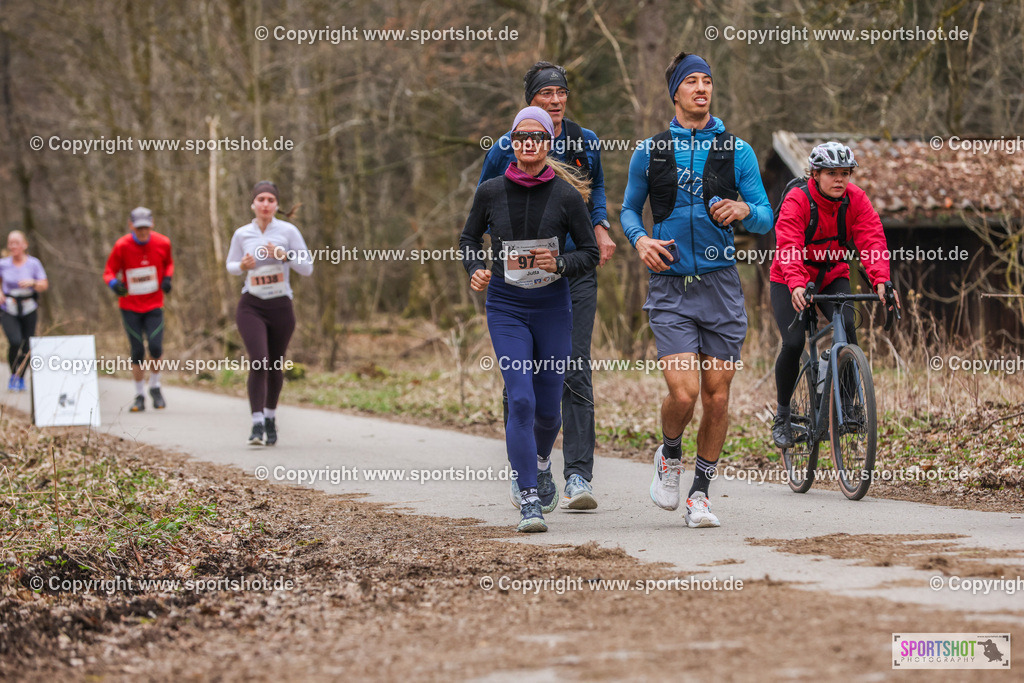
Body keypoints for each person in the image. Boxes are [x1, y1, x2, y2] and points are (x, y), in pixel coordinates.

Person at [620, 52, 773, 527]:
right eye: (692, 82)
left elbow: (766, 214)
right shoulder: (650, 151)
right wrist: (640, 238)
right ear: (676, 93)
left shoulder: (737, 150)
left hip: (722, 286)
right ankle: (668, 456)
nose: (701, 89)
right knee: (684, 395)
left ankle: (700, 494)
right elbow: (627, 210)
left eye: (708, 81)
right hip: (670, 287)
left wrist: (744, 211)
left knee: (718, 396)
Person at [479, 61, 614, 511]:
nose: (555, 101)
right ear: (529, 101)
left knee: (572, 369)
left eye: (562, 93)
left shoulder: (586, 141)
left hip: (571, 272)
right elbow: (486, 202)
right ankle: (527, 476)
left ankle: (577, 475)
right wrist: (486, 264)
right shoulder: (506, 146)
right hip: (516, 285)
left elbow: (597, 198)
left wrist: (602, 229)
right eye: (545, 94)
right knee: (520, 384)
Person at [461, 106, 599, 532]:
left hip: (553, 307)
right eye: (521, 137)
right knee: (520, 399)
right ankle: (528, 499)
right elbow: (468, 238)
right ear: (512, 143)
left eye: (537, 137)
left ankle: (541, 461)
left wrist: (558, 263)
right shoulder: (490, 191)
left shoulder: (566, 195)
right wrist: (476, 269)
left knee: (549, 412)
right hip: (506, 306)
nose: (528, 144)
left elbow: (590, 254)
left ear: (548, 143)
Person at [770, 142, 895, 448]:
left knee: (848, 328)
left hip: (831, 275)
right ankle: (783, 415)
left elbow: (872, 239)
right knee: (794, 341)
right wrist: (797, 283)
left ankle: (849, 406)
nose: (839, 179)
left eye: (845, 173)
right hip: (790, 278)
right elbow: (788, 243)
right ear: (815, 174)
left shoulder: (856, 200)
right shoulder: (798, 200)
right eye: (831, 173)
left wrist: (881, 279)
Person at [226, 181, 312, 446]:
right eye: (260, 199)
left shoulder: (288, 231)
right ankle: (256, 423)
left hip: (281, 305)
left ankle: (271, 417)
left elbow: (307, 267)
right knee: (259, 361)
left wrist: (285, 257)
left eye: (270, 200)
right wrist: (241, 264)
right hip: (251, 304)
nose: (265, 204)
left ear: (276, 205)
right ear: (253, 203)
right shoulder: (242, 234)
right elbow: (230, 265)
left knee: (275, 364)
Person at [103, 207, 173, 411]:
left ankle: (155, 386)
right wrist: (114, 285)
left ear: (152, 224)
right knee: (137, 351)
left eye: (145, 227)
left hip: (154, 304)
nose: (142, 232)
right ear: (131, 225)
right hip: (130, 306)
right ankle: (139, 394)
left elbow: (169, 264)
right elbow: (108, 272)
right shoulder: (122, 246)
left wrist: (168, 278)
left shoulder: (162, 242)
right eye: (138, 227)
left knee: (156, 347)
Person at [0, 231, 48, 391]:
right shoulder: (3, 264)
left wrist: (33, 282)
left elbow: (44, 284)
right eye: (10, 242)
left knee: (27, 344)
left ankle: (20, 378)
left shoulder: (33, 264)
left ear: (24, 245)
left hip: (28, 307)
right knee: (15, 341)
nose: (13, 246)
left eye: (16, 242)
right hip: (8, 307)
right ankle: (14, 374)